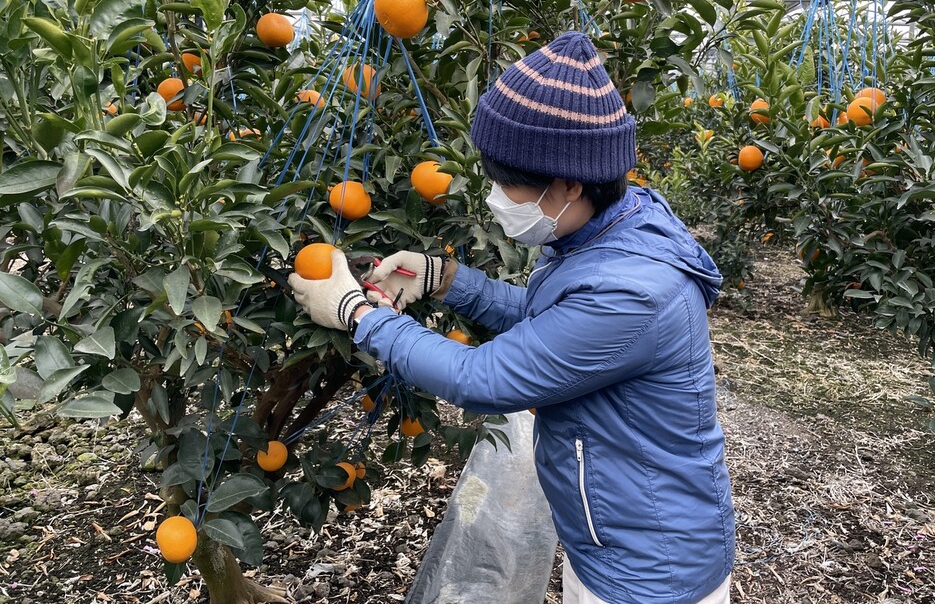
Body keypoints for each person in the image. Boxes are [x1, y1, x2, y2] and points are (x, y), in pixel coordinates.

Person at [289, 31, 735, 603]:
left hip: (650, 571)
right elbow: (552, 321)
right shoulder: (610, 231)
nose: (498, 197)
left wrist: (355, 313)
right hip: (620, 537)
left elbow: (483, 380)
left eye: (507, 184)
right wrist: (447, 279)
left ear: (570, 183)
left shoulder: (635, 293)